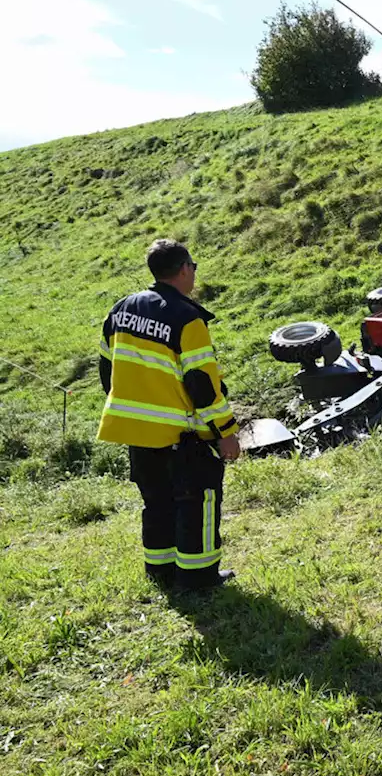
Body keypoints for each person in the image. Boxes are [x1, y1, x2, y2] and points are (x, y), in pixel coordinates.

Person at [98, 239, 241, 591]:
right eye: (193, 265)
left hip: (136, 431)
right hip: (181, 435)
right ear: (183, 269)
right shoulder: (187, 318)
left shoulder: (121, 309)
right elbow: (203, 386)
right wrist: (225, 431)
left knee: (157, 502)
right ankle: (199, 578)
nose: (194, 271)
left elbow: (106, 367)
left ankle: (160, 572)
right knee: (198, 502)